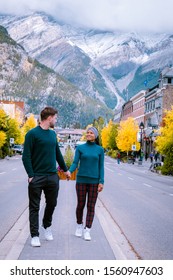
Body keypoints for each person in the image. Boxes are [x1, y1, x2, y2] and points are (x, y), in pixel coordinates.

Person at [22, 107, 70, 247]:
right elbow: (26, 157)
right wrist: (31, 175)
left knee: (52, 203)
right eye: (55, 117)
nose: (56, 120)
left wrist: (65, 170)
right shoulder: (32, 134)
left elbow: (58, 154)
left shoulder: (52, 134)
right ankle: (35, 235)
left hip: (52, 176)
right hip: (37, 177)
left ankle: (46, 225)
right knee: (34, 207)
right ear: (49, 118)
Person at [68, 126, 104, 241]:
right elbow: (75, 163)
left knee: (91, 206)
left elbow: (101, 167)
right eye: (87, 133)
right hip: (81, 181)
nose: (89, 134)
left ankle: (87, 229)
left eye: (91, 133)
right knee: (80, 205)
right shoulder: (80, 148)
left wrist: (101, 181)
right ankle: (79, 225)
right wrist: (69, 171)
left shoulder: (100, 150)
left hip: (94, 182)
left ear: (95, 136)